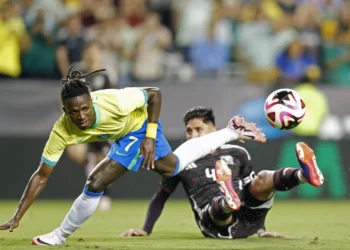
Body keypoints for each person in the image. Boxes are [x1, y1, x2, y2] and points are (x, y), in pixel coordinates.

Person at [0, 69, 266, 246]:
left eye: (84, 108)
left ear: (91, 101)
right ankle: (231, 131)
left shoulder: (114, 101)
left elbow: (155, 94)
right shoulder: (61, 130)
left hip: (140, 127)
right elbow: (41, 176)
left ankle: (59, 236)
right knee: (172, 167)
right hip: (123, 137)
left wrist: (149, 136)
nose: (81, 116)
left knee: (95, 182)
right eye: (73, 112)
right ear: (64, 110)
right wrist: (18, 215)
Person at [121, 107, 324, 239]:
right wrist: (145, 229)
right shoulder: (179, 161)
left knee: (260, 180)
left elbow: (253, 192)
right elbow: (161, 196)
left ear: (215, 130)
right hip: (217, 224)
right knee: (217, 206)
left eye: (199, 129)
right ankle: (228, 200)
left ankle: (304, 175)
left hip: (248, 219)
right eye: (189, 131)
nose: (193, 134)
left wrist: (261, 231)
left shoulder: (238, 152)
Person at [66, 41, 113, 211]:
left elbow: (110, 101)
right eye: (90, 51)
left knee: (104, 159)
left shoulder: (105, 76)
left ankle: (103, 194)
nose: (93, 55)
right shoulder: (77, 75)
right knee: (89, 158)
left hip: (101, 124)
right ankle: (94, 196)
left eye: (96, 52)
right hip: (83, 125)